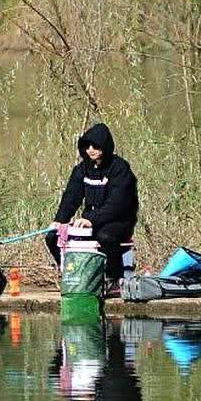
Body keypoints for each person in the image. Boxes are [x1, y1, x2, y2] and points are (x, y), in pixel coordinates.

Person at [45, 123, 139, 288]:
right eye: (87, 146)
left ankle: (114, 278)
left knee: (105, 237)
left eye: (95, 146)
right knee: (53, 236)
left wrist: (91, 220)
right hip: (90, 220)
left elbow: (117, 204)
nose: (90, 149)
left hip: (119, 221)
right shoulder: (81, 170)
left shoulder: (120, 169)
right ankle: (70, 272)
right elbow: (71, 198)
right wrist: (60, 220)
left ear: (105, 146)